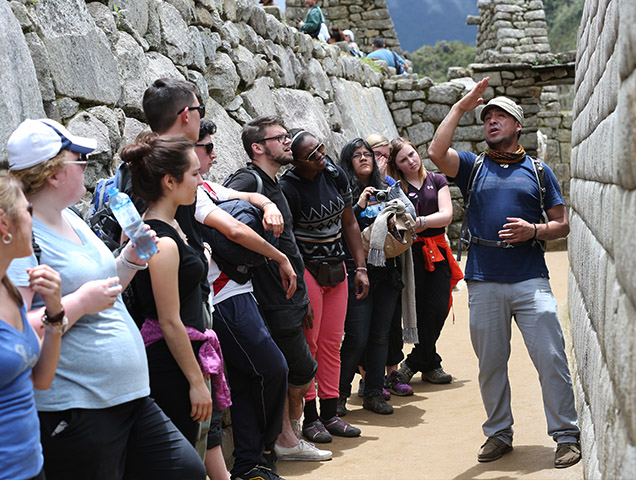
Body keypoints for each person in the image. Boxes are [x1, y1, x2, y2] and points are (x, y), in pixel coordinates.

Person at [7, 118, 205, 479]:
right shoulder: (23, 237)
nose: (87, 166)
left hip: (128, 397)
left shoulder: (72, 218)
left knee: (186, 471)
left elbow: (103, 284)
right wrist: (80, 303)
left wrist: (128, 260)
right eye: (78, 159)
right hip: (78, 406)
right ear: (53, 173)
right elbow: (15, 329)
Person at [427, 78, 581, 468]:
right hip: (483, 278)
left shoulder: (540, 170)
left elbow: (562, 224)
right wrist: (460, 109)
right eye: (487, 117)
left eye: (501, 116)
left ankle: (565, 435)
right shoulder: (471, 166)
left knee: (550, 357)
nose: (491, 121)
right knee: (490, 363)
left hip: (530, 277)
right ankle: (499, 433)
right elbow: (435, 151)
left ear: (517, 126)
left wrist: (535, 231)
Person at [193, 120, 299, 480]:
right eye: (207, 148)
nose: (214, 154)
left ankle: (249, 463)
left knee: (246, 381)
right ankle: (265, 449)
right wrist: (280, 257)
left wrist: (266, 201)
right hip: (224, 298)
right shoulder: (190, 193)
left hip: (238, 293)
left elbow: (245, 197)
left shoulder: (205, 186)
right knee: (273, 370)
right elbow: (235, 229)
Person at [226, 116, 331, 462]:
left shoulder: (274, 182)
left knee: (295, 370)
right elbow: (223, 211)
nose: (289, 142)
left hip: (290, 297)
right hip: (270, 297)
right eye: (280, 138)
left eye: (288, 137)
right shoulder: (248, 178)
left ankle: (287, 436)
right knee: (298, 370)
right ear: (258, 147)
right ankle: (285, 438)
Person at [280, 129, 369, 443]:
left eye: (320, 149)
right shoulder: (288, 188)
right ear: (296, 162)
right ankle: (311, 417)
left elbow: (349, 223)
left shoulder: (334, 174)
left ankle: (331, 413)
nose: (320, 156)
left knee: (332, 343)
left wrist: (359, 267)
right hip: (309, 272)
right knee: (311, 346)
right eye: (312, 155)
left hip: (337, 269)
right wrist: (300, 293)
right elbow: (287, 240)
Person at [336, 138, 416, 416]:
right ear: (348, 161)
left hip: (387, 272)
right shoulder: (341, 189)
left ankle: (373, 393)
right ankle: (339, 395)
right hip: (358, 271)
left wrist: (395, 209)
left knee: (381, 335)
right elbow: (339, 228)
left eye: (367, 154)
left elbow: (413, 218)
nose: (363, 158)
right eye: (356, 155)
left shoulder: (389, 187)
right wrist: (358, 207)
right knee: (357, 335)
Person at [0, 172, 63, 480]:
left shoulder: (10, 289)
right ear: (4, 223)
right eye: (27, 210)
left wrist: (54, 311)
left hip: (31, 466)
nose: (33, 218)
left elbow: (41, 379)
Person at [387, 137, 463, 388]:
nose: (410, 161)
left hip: (438, 249)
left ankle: (413, 363)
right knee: (420, 310)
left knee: (440, 307)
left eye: (412, 155)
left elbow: (447, 215)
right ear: (396, 165)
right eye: (403, 160)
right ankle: (431, 364)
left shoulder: (436, 179)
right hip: (410, 253)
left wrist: (422, 222)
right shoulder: (395, 187)